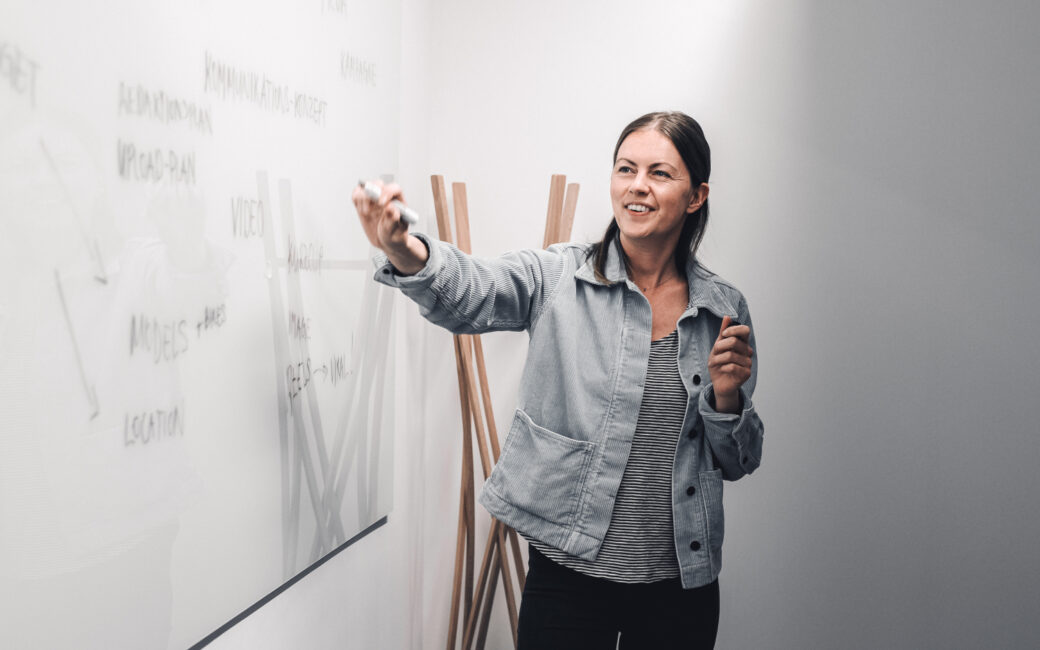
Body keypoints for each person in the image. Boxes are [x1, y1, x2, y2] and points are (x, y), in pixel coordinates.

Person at [353, 111, 764, 649]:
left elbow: (738, 461)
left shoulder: (722, 308)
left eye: (659, 173)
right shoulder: (557, 277)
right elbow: (474, 290)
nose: (637, 186)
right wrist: (404, 249)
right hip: (568, 577)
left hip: (680, 587)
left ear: (695, 195)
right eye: (625, 168)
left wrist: (727, 397)